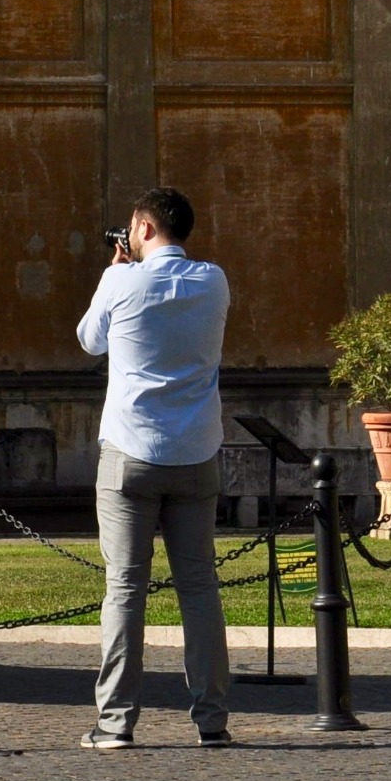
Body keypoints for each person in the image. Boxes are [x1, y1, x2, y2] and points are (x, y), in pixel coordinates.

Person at [74, 185, 231, 749]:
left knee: (124, 589)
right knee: (200, 589)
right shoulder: (213, 281)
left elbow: (90, 340)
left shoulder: (120, 280)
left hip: (130, 455)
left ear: (141, 228)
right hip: (195, 452)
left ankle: (115, 722)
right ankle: (212, 717)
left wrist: (109, 274)